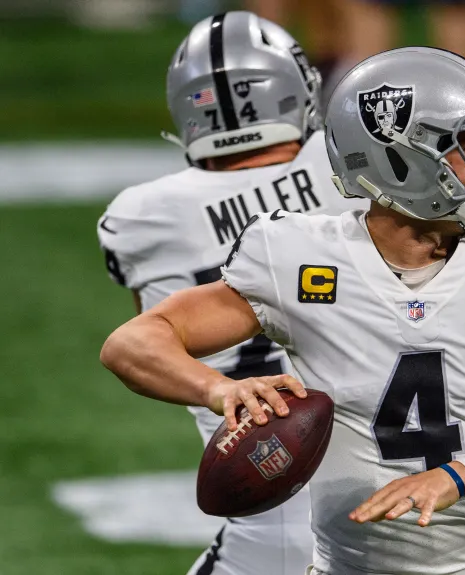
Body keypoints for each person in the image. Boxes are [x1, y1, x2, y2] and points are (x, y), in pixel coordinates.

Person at [100, 47, 465, 575]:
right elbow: (130, 344)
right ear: (399, 159)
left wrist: (456, 477)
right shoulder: (294, 256)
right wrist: (218, 389)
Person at [97, 12, 359, 575]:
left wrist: (221, 392)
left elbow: (147, 334)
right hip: (403, 490)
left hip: (268, 497)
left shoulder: (143, 217)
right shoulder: (350, 172)